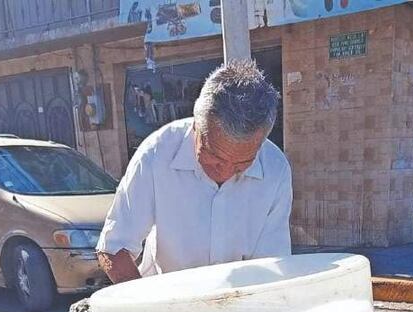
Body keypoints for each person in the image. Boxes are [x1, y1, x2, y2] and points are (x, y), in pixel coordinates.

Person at [95, 60, 291, 284]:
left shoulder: (276, 168)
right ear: (196, 126)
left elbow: (272, 266)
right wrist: (146, 310)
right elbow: (113, 248)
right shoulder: (156, 154)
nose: (225, 172)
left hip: (239, 304)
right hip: (164, 300)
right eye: (214, 158)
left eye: (241, 164)